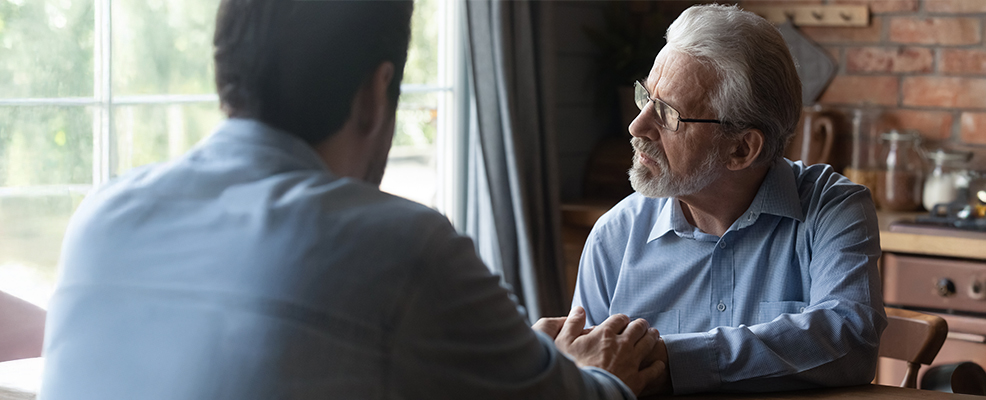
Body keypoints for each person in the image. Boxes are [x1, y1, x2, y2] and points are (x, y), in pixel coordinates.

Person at [39, 1, 663, 399]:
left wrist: (511, 356)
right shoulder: (403, 245)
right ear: (376, 92)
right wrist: (599, 374)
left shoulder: (99, 216)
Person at [569, 4, 887, 395]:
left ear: (741, 149)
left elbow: (851, 340)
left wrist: (670, 360)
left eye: (667, 114)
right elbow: (591, 377)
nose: (638, 125)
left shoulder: (832, 209)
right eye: (645, 96)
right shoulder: (614, 238)